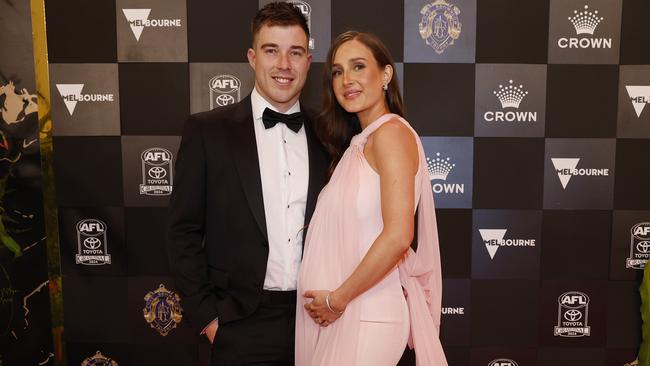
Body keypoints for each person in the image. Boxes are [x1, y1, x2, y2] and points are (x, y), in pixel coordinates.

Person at [167, 3, 328, 365]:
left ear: (308, 60)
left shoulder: (329, 136)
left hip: (317, 323)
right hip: (240, 324)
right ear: (253, 57)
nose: (284, 65)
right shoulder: (207, 131)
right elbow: (183, 231)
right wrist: (209, 318)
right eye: (272, 51)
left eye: (295, 52)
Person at [295, 31, 448, 366]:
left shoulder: (391, 134)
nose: (346, 80)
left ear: (386, 75)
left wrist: (337, 300)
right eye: (337, 71)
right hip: (342, 314)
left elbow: (398, 235)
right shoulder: (360, 143)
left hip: (366, 316)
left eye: (358, 66)